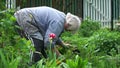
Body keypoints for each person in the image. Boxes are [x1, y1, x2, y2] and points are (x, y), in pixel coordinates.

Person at [14, 6, 81, 63]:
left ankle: (41, 62)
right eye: (70, 30)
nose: (68, 31)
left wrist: (62, 44)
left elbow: (53, 36)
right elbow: (48, 42)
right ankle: (33, 64)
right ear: (68, 25)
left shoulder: (62, 18)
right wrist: (60, 56)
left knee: (40, 43)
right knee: (37, 41)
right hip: (24, 18)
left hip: (28, 17)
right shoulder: (58, 22)